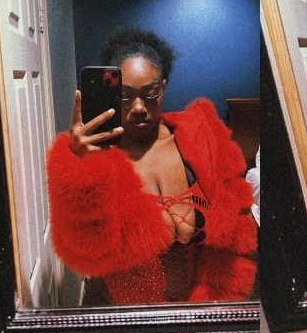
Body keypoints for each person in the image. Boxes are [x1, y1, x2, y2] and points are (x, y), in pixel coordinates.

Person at [46, 27, 257, 304]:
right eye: (125, 95)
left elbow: (235, 235)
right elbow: (83, 255)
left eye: (150, 93)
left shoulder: (199, 143)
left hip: (198, 312)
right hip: (118, 314)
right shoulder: (98, 158)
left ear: (163, 87)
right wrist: (82, 168)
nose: (138, 107)